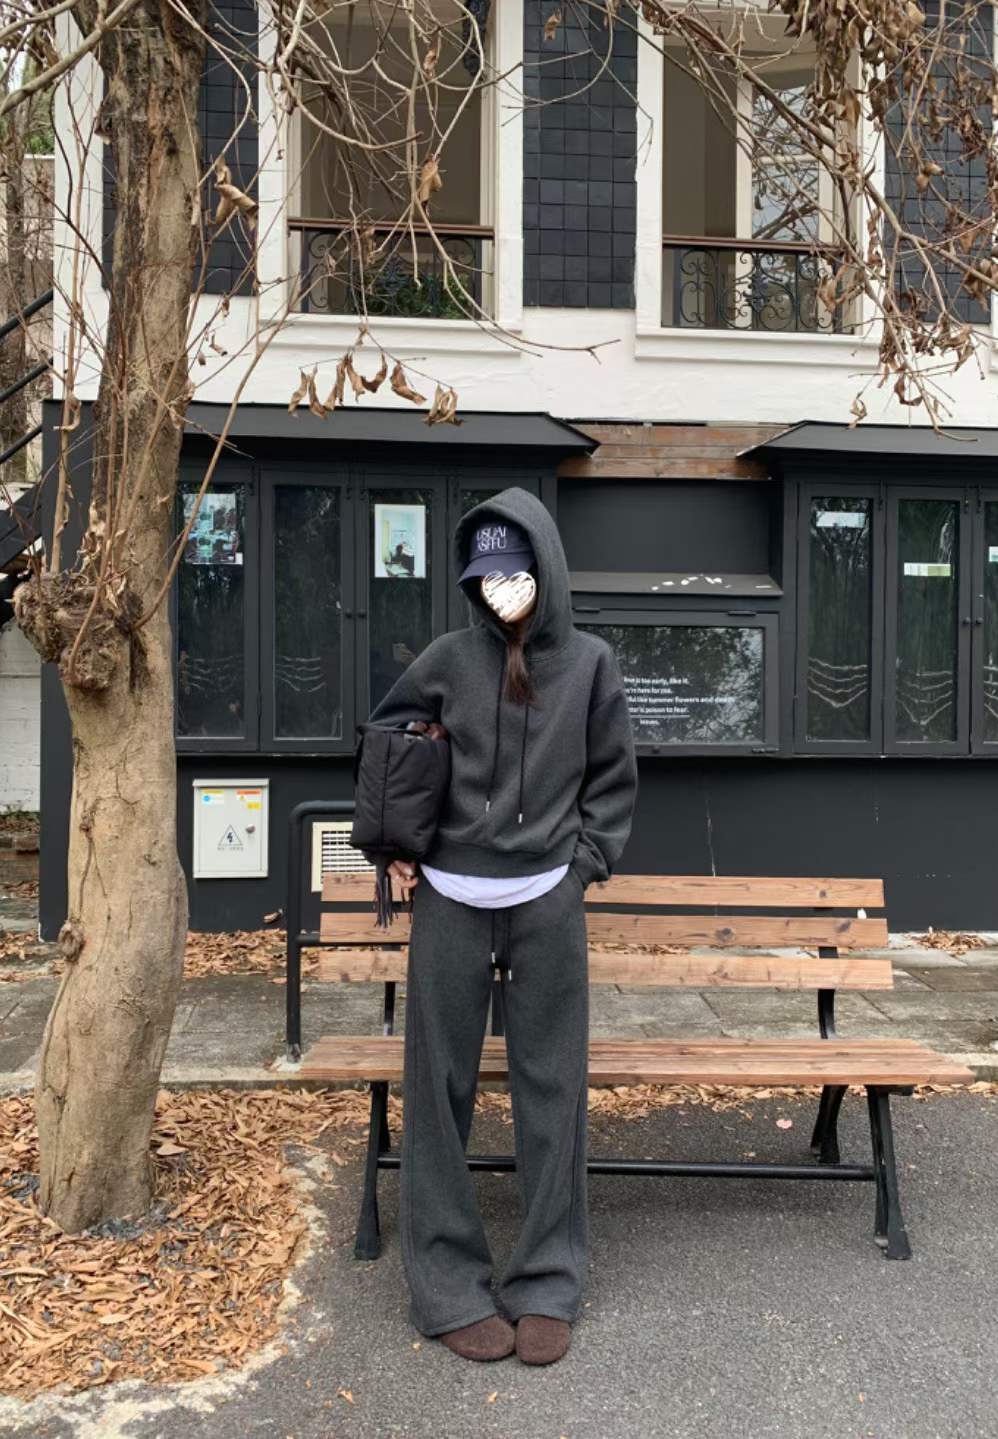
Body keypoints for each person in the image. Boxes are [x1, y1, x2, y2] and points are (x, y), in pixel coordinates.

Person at [366, 487, 637, 1367]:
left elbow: (613, 781)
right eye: (487, 578)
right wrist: (396, 844)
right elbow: (388, 741)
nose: (503, 591)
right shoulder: (448, 658)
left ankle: (548, 1279)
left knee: (553, 1087)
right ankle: (446, 1285)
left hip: (547, 898)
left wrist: (582, 867)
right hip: (449, 896)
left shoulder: (590, 665)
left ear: (546, 569)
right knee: (437, 1091)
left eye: (517, 574)